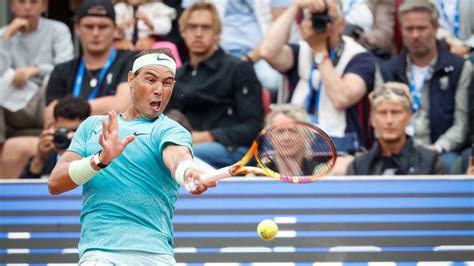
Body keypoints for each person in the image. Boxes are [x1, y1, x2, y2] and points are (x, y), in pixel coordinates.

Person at [48, 48, 215, 264]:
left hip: (155, 256)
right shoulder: (92, 126)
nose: (159, 90)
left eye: (167, 83)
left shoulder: (170, 130)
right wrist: (99, 160)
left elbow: (177, 158)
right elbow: (55, 183)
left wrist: (188, 172)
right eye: (151, 79)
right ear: (131, 79)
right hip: (100, 254)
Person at [260, 0, 376, 174]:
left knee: (338, 170)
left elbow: (341, 98)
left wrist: (320, 52)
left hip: (337, 147)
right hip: (292, 143)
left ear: (342, 24)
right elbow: (267, 51)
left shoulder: (359, 57)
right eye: (314, 18)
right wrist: (295, 7)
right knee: (269, 165)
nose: (321, 24)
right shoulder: (301, 50)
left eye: (329, 19)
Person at [377, 0, 471, 171]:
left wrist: (436, 148)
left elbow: (461, 125)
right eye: (409, 29)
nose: (415, 35)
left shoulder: (459, 68)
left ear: (435, 28)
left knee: (446, 164)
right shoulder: (388, 69)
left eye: (421, 28)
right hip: (398, 149)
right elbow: (379, 116)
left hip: (441, 150)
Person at [166, 2, 263, 169]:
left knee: (184, 156)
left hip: (230, 149)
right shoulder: (177, 75)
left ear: (217, 34)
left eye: (206, 28)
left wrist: (206, 136)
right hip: (187, 147)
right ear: (183, 31)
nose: (198, 33)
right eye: (192, 27)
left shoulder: (238, 68)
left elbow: (254, 126)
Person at [44, 0, 135, 128]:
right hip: (72, 142)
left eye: (103, 27)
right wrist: (106, 105)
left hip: (114, 137)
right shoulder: (62, 69)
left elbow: (123, 104)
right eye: (89, 26)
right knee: (14, 146)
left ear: (115, 29)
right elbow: (50, 116)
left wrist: (68, 111)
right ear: (77, 28)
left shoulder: (130, 60)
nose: (95, 33)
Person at [0, 0, 74, 143]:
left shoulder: (57, 29)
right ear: (12, 6)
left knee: (51, 81)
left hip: (43, 95)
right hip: (13, 99)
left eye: (34, 2)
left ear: (44, 5)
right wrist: (6, 39)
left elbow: (66, 68)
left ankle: (50, 142)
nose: (27, 7)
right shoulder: (4, 34)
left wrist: (36, 70)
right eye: (21, 2)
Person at [182, 0, 291, 93]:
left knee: (271, 81)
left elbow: (281, 31)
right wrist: (219, 55)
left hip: (262, 54)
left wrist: (249, 59)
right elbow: (188, 21)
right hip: (214, 52)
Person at [346, 82, 446, 175]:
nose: (389, 121)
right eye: (382, 113)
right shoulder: (358, 167)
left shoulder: (430, 162)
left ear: (409, 117)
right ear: (372, 119)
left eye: (395, 112)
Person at [19, 97, 91, 179]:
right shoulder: (47, 156)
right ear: (54, 126)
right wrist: (40, 159)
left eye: (75, 131)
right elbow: (24, 189)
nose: (68, 136)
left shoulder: (95, 157)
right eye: (63, 130)